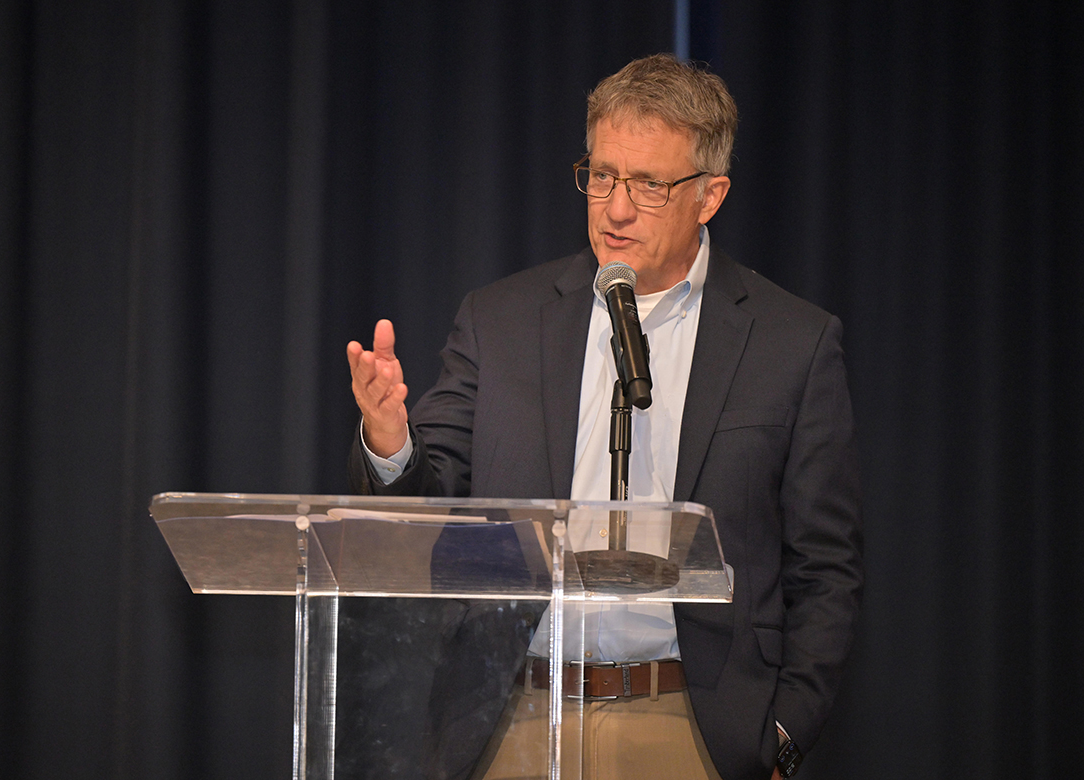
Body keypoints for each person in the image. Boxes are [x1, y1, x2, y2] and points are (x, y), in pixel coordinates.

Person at [346, 54, 862, 780]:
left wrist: (782, 735)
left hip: (692, 730)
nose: (616, 209)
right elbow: (432, 507)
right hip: (514, 718)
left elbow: (825, 567)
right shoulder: (501, 320)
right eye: (602, 176)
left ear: (709, 196)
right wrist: (390, 439)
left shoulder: (791, 343)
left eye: (649, 185)